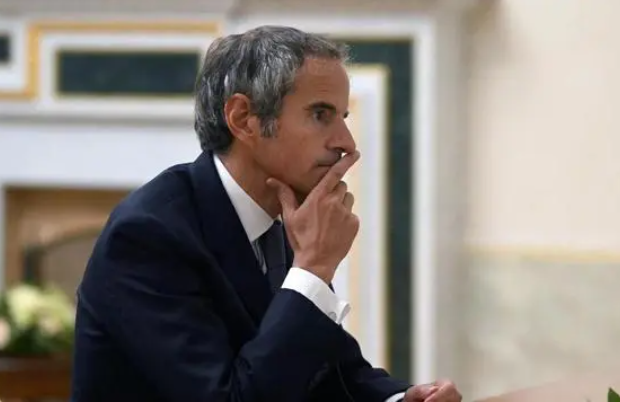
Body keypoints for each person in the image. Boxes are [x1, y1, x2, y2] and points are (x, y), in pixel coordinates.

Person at [70, 25, 462, 402]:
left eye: (343, 117)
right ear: (243, 119)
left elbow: (327, 371)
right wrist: (313, 269)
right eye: (320, 114)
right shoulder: (147, 236)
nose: (347, 143)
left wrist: (400, 397)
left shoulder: (278, 217)